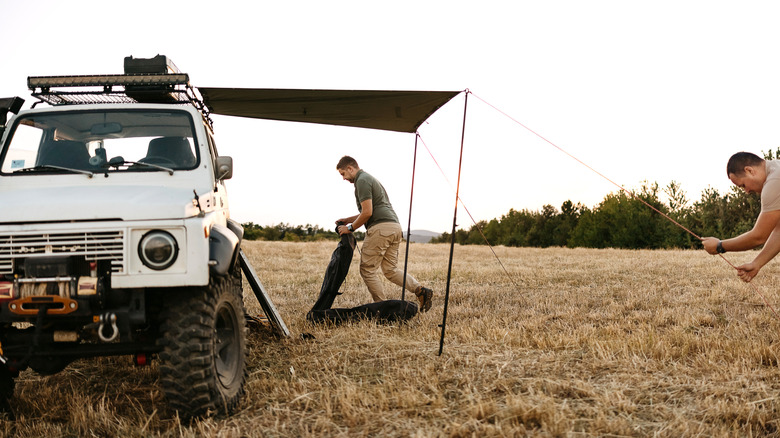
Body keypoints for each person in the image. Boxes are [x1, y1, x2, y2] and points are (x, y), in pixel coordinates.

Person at [335, 155, 433, 312]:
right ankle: (421, 291)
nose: (343, 178)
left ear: (350, 168)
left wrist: (351, 228)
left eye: (343, 174)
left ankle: (383, 310)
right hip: (394, 227)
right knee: (390, 270)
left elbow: (367, 213)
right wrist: (348, 220)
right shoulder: (369, 179)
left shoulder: (361, 180)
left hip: (380, 229)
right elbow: (370, 211)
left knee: (367, 270)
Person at [702, 152, 780, 282]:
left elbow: (758, 237)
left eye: (743, 185)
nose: (747, 191)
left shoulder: (774, 182)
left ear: (749, 170)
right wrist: (757, 263)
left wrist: (720, 246)